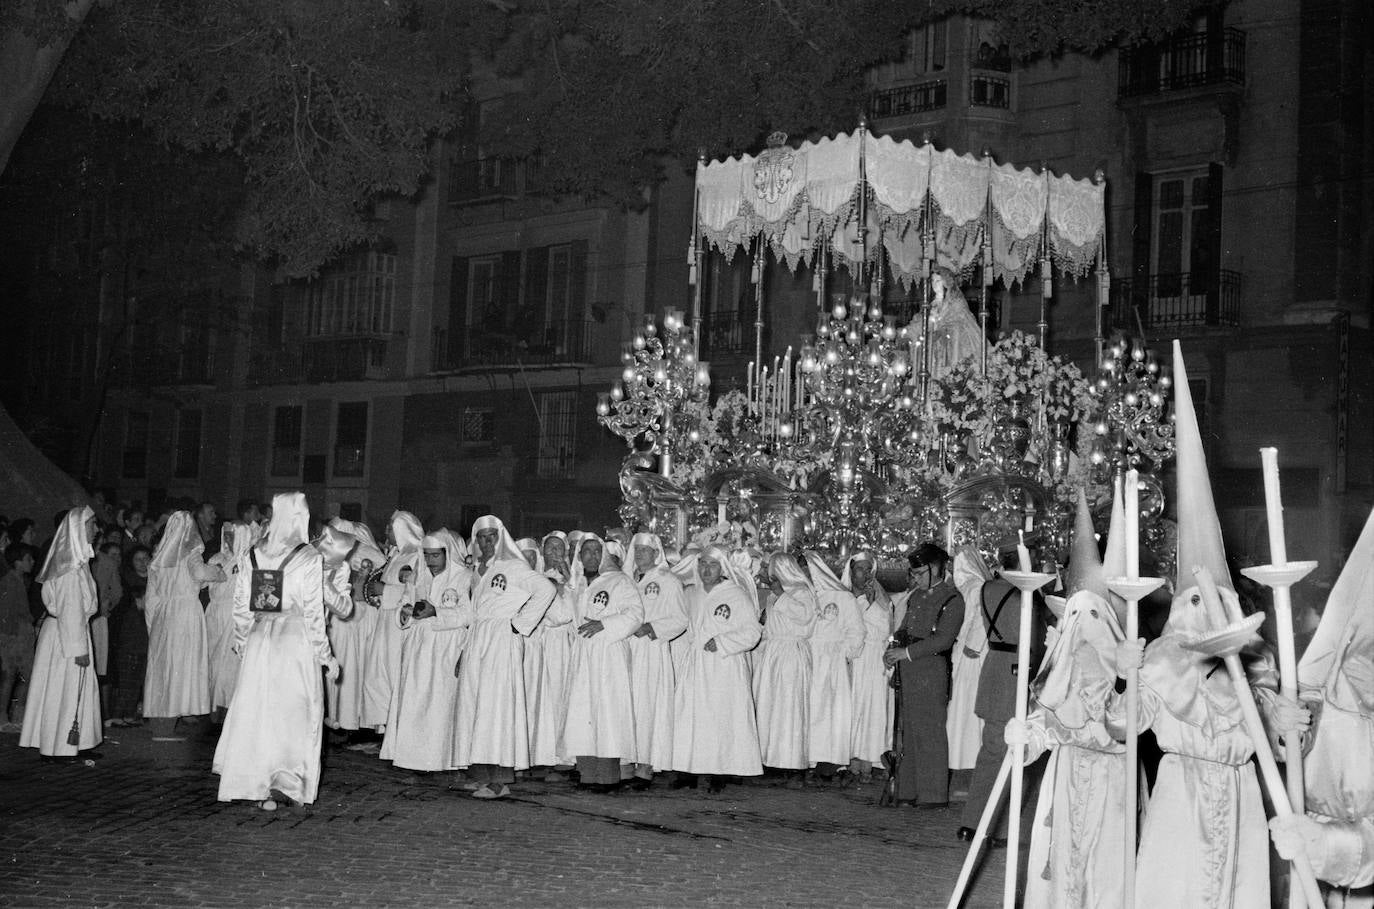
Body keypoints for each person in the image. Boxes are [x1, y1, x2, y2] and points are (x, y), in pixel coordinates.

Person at [1107, 341, 1308, 907]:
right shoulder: (1164, 662)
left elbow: (1283, 746)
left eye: (1215, 602)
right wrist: (1128, 678)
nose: (1204, 614)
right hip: (1181, 794)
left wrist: (1293, 722)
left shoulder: (1256, 663)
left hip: (1241, 794)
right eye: (1193, 602)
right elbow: (1123, 729)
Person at [1004, 491, 1127, 909]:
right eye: (1073, 616)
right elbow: (1049, 721)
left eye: (1091, 617)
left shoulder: (1125, 672)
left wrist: (1130, 680)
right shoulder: (1065, 669)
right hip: (1066, 777)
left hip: (1114, 785)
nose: (1081, 629)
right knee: (1058, 870)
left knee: (1103, 874)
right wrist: (1026, 737)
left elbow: (1128, 727)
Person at [1269, 505, 1374, 898]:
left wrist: (1324, 845)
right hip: (1315, 858)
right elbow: (1301, 724)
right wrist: (1286, 724)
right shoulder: (1336, 669)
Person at [213, 492, 338, 811]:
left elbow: (241, 605)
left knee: (260, 711)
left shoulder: (253, 553)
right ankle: (288, 782)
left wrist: (243, 642)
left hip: (260, 639)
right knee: (295, 713)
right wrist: (325, 656)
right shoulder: (308, 557)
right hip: (294, 641)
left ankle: (256, 780)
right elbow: (313, 612)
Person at [451, 515, 555, 800]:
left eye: (492, 536)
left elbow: (546, 589)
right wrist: (463, 649)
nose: (487, 542)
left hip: (501, 637)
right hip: (478, 639)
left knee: (497, 707)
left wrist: (519, 624)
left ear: (501, 538)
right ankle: (480, 773)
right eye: (482, 537)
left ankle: (499, 779)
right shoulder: (477, 571)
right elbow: (473, 613)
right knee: (475, 704)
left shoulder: (513, 566)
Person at [672, 545, 762, 792]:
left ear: (722, 567)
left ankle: (718, 773)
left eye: (712, 565)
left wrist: (723, 642)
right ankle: (687, 771)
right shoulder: (693, 594)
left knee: (719, 719)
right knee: (691, 717)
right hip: (696, 664)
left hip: (724, 666)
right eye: (702, 564)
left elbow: (752, 632)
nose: (706, 570)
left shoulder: (735, 595)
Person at [381, 529, 470, 772]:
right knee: (415, 700)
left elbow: (469, 614)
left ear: (448, 554)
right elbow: (404, 603)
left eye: (435, 556)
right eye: (427, 555)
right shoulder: (418, 576)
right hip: (419, 646)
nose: (430, 562)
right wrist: (405, 614)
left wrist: (437, 613)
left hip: (447, 645)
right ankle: (413, 758)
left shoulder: (464, 577)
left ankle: (441, 759)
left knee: (440, 702)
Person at [19, 506, 102, 761]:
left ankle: (77, 741)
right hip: (66, 636)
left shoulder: (78, 564)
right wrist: (79, 649)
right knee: (62, 688)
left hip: (70, 632)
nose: (96, 530)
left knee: (75, 688)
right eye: (91, 525)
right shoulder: (68, 569)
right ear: (78, 530)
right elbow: (70, 611)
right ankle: (59, 746)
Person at [884, 543, 964, 808]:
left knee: (930, 734)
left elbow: (943, 639)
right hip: (910, 671)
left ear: (937, 568)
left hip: (931, 671)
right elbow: (905, 629)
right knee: (909, 731)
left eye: (920, 573)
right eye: (914, 574)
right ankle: (908, 790)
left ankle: (932, 795)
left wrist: (905, 653)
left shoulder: (953, 599)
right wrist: (892, 648)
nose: (915, 579)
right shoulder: (917, 597)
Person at [561, 535, 642, 793]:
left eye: (598, 551)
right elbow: (564, 615)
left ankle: (607, 777)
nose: (593, 556)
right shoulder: (578, 585)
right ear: (579, 556)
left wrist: (604, 624)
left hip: (608, 653)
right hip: (583, 654)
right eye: (587, 551)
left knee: (608, 714)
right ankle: (587, 774)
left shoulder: (619, 581)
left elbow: (635, 614)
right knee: (582, 713)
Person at [144, 511, 224, 740]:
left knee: (163, 667)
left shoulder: (159, 559)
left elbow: (151, 598)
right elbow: (200, 573)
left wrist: (153, 627)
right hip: (186, 613)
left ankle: (161, 722)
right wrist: (217, 573)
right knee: (182, 664)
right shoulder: (191, 555)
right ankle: (171, 718)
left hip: (164, 615)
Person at [627, 532, 688, 788]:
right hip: (626, 649)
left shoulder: (667, 580)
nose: (640, 554)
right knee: (628, 706)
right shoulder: (627, 579)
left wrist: (652, 628)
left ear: (656, 553)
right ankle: (626, 761)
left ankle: (645, 766)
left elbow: (680, 619)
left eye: (645, 550)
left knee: (647, 707)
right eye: (636, 550)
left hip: (650, 649)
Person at [752, 551, 817, 784]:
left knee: (789, 709)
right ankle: (770, 759)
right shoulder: (772, 596)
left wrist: (781, 595)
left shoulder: (802, 592)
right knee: (769, 707)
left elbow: (806, 618)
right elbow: (769, 626)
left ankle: (792, 763)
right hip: (773, 654)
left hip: (792, 653)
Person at [802, 552, 865, 784]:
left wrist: (842, 655)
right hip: (808, 658)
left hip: (831, 662)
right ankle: (807, 760)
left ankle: (828, 763)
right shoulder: (804, 595)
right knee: (809, 711)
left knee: (829, 713)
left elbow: (856, 630)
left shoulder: (841, 597)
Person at [360, 510, 424, 732]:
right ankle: (384, 726)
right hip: (384, 622)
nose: (387, 531)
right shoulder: (397, 555)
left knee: (393, 671)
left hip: (398, 623)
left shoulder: (415, 556)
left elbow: (415, 592)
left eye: (391, 527)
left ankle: (397, 727)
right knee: (378, 672)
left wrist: (384, 590)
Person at [325, 518, 384, 736]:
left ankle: (347, 720)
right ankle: (338, 718)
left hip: (350, 617)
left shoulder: (364, 553)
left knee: (348, 669)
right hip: (338, 617)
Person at [843, 551, 896, 782]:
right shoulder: (843, 597)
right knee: (851, 706)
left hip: (873, 658)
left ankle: (871, 758)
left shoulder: (882, 600)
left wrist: (875, 602)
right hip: (851, 658)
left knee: (873, 707)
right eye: (860, 569)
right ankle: (849, 758)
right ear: (851, 570)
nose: (864, 574)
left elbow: (887, 629)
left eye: (868, 569)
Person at [945, 545, 994, 794]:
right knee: (959, 715)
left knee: (966, 715)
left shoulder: (975, 587)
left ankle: (968, 772)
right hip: (963, 656)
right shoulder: (966, 588)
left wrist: (972, 645)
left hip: (971, 659)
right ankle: (959, 769)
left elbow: (982, 619)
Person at [528, 531, 576, 777]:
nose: (555, 553)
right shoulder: (534, 576)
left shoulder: (570, 580)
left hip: (559, 645)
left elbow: (566, 614)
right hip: (536, 643)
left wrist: (565, 587)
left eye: (560, 549)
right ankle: (536, 755)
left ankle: (562, 757)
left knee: (557, 698)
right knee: (535, 699)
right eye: (550, 548)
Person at [205, 521, 259, 720]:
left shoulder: (250, 561)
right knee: (213, 660)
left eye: (232, 535)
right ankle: (211, 706)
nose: (228, 539)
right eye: (226, 534)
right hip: (215, 612)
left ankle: (229, 708)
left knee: (230, 664)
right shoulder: (216, 559)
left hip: (236, 614)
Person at [108, 546, 151, 726]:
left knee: (139, 676)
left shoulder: (155, 579)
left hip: (147, 634)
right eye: (137, 559)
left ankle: (130, 714)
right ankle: (118, 715)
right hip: (130, 634)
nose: (142, 563)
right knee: (127, 675)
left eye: (145, 558)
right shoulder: (126, 581)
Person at [0, 542, 39, 731]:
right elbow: (7, 614)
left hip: (19, 635)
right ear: (17, 562)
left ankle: (16, 716)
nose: (32, 562)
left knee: (21, 676)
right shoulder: (11, 581)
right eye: (28, 559)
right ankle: (6, 717)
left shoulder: (19, 581)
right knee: (12, 676)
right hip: (14, 637)